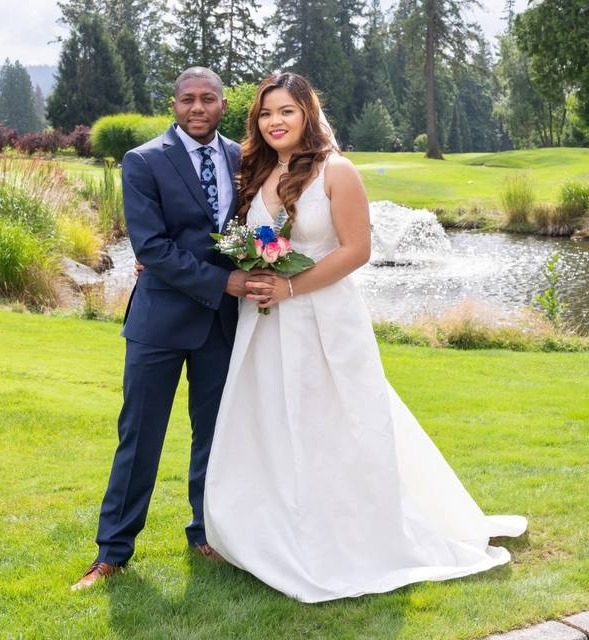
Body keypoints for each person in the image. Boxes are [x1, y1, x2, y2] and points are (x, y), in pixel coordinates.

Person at [203, 72, 527, 603]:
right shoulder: (256, 171)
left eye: (286, 110)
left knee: (336, 425)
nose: (275, 121)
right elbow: (247, 240)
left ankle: (350, 536)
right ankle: (273, 530)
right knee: (270, 423)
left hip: (324, 320)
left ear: (307, 113)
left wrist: (289, 286)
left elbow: (356, 251)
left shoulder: (337, 171)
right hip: (265, 324)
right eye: (265, 113)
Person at [71, 67, 274, 591]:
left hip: (221, 326)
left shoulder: (242, 158)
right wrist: (224, 282)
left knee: (215, 436)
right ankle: (112, 551)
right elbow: (151, 249)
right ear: (175, 103)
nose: (198, 108)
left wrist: (269, 262)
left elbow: (257, 225)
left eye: (208, 99)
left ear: (223, 103)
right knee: (139, 438)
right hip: (159, 324)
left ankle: (206, 533)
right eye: (188, 99)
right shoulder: (143, 161)